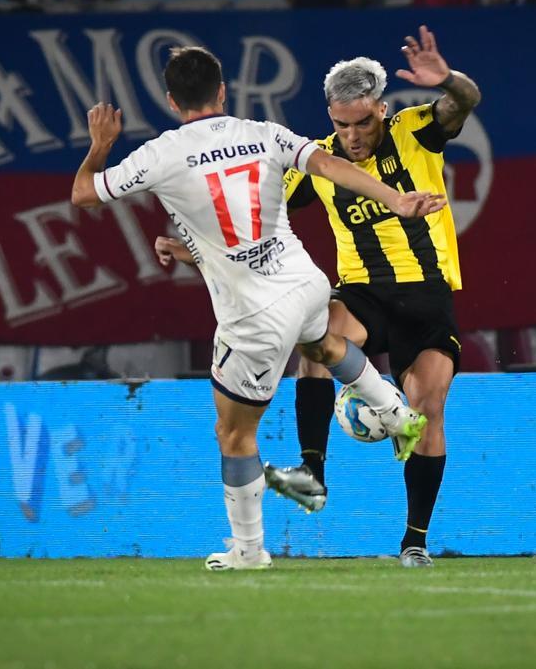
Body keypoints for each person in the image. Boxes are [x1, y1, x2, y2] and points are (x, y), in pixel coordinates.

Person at [71, 46, 439, 571]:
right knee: (325, 343)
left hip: (253, 317)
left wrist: (99, 147)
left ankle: (249, 552)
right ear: (223, 91)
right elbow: (332, 164)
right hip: (307, 284)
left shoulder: (160, 154)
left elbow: (84, 193)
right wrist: (397, 200)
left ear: (172, 100)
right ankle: (397, 413)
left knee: (234, 433)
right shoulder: (266, 133)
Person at [264, 26, 481, 568]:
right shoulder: (320, 162)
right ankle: (312, 473)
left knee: (429, 409)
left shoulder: (417, 132)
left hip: (428, 302)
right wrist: (193, 245)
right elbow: (260, 217)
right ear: (331, 117)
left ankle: (414, 542)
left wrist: (448, 80)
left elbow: (465, 101)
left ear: (382, 110)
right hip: (363, 295)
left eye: (363, 122)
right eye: (342, 124)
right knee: (316, 342)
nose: (353, 135)